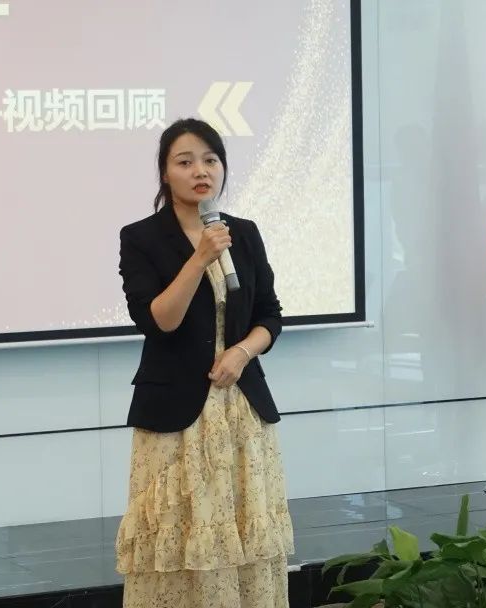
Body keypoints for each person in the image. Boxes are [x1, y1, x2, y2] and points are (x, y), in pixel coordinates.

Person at [114, 118, 294, 608]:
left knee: (242, 532)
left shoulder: (244, 233)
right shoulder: (142, 238)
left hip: (241, 410)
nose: (201, 171)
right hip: (176, 416)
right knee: (178, 532)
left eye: (211, 160)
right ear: (165, 173)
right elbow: (160, 321)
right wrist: (199, 258)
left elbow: (270, 315)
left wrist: (242, 351)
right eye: (185, 161)